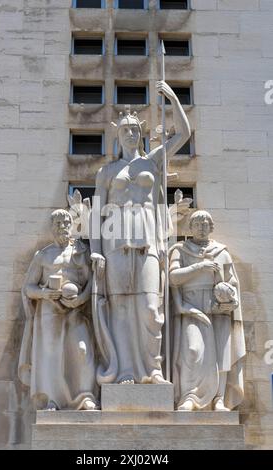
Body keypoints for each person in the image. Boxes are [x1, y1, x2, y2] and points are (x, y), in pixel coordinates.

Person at [90, 81, 191, 385]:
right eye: (125, 130)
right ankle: (125, 372)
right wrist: (95, 249)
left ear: (142, 134)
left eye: (135, 130)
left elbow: (184, 134)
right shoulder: (106, 173)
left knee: (150, 307)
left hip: (148, 241)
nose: (131, 134)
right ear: (118, 135)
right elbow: (96, 214)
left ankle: (153, 370)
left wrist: (172, 98)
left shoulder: (153, 161)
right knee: (121, 307)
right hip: (115, 242)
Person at [18, 209, 98, 411]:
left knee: (82, 350)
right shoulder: (43, 256)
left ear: (72, 226)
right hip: (49, 310)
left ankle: (85, 396)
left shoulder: (81, 252)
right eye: (58, 224)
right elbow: (29, 288)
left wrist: (81, 299)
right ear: (52, 228)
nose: (62, 227)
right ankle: (53, 399)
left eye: (66, 223)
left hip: (76, 309)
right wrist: (45, 294)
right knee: (51, 355)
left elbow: (92, 283)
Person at [169, 210, 246, 411]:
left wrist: (230, 299)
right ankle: (189, 396)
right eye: (197, 223)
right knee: (192, 350)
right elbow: (174, 277)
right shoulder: (180, 249)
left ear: (211, 227)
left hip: (217, 307)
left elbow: (232, 282)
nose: (202, 227)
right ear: (190, 227)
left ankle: (219, 398)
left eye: (206, 224)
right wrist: (200, 267)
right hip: (191, 306)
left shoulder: (222, 251)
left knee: (222, 355)